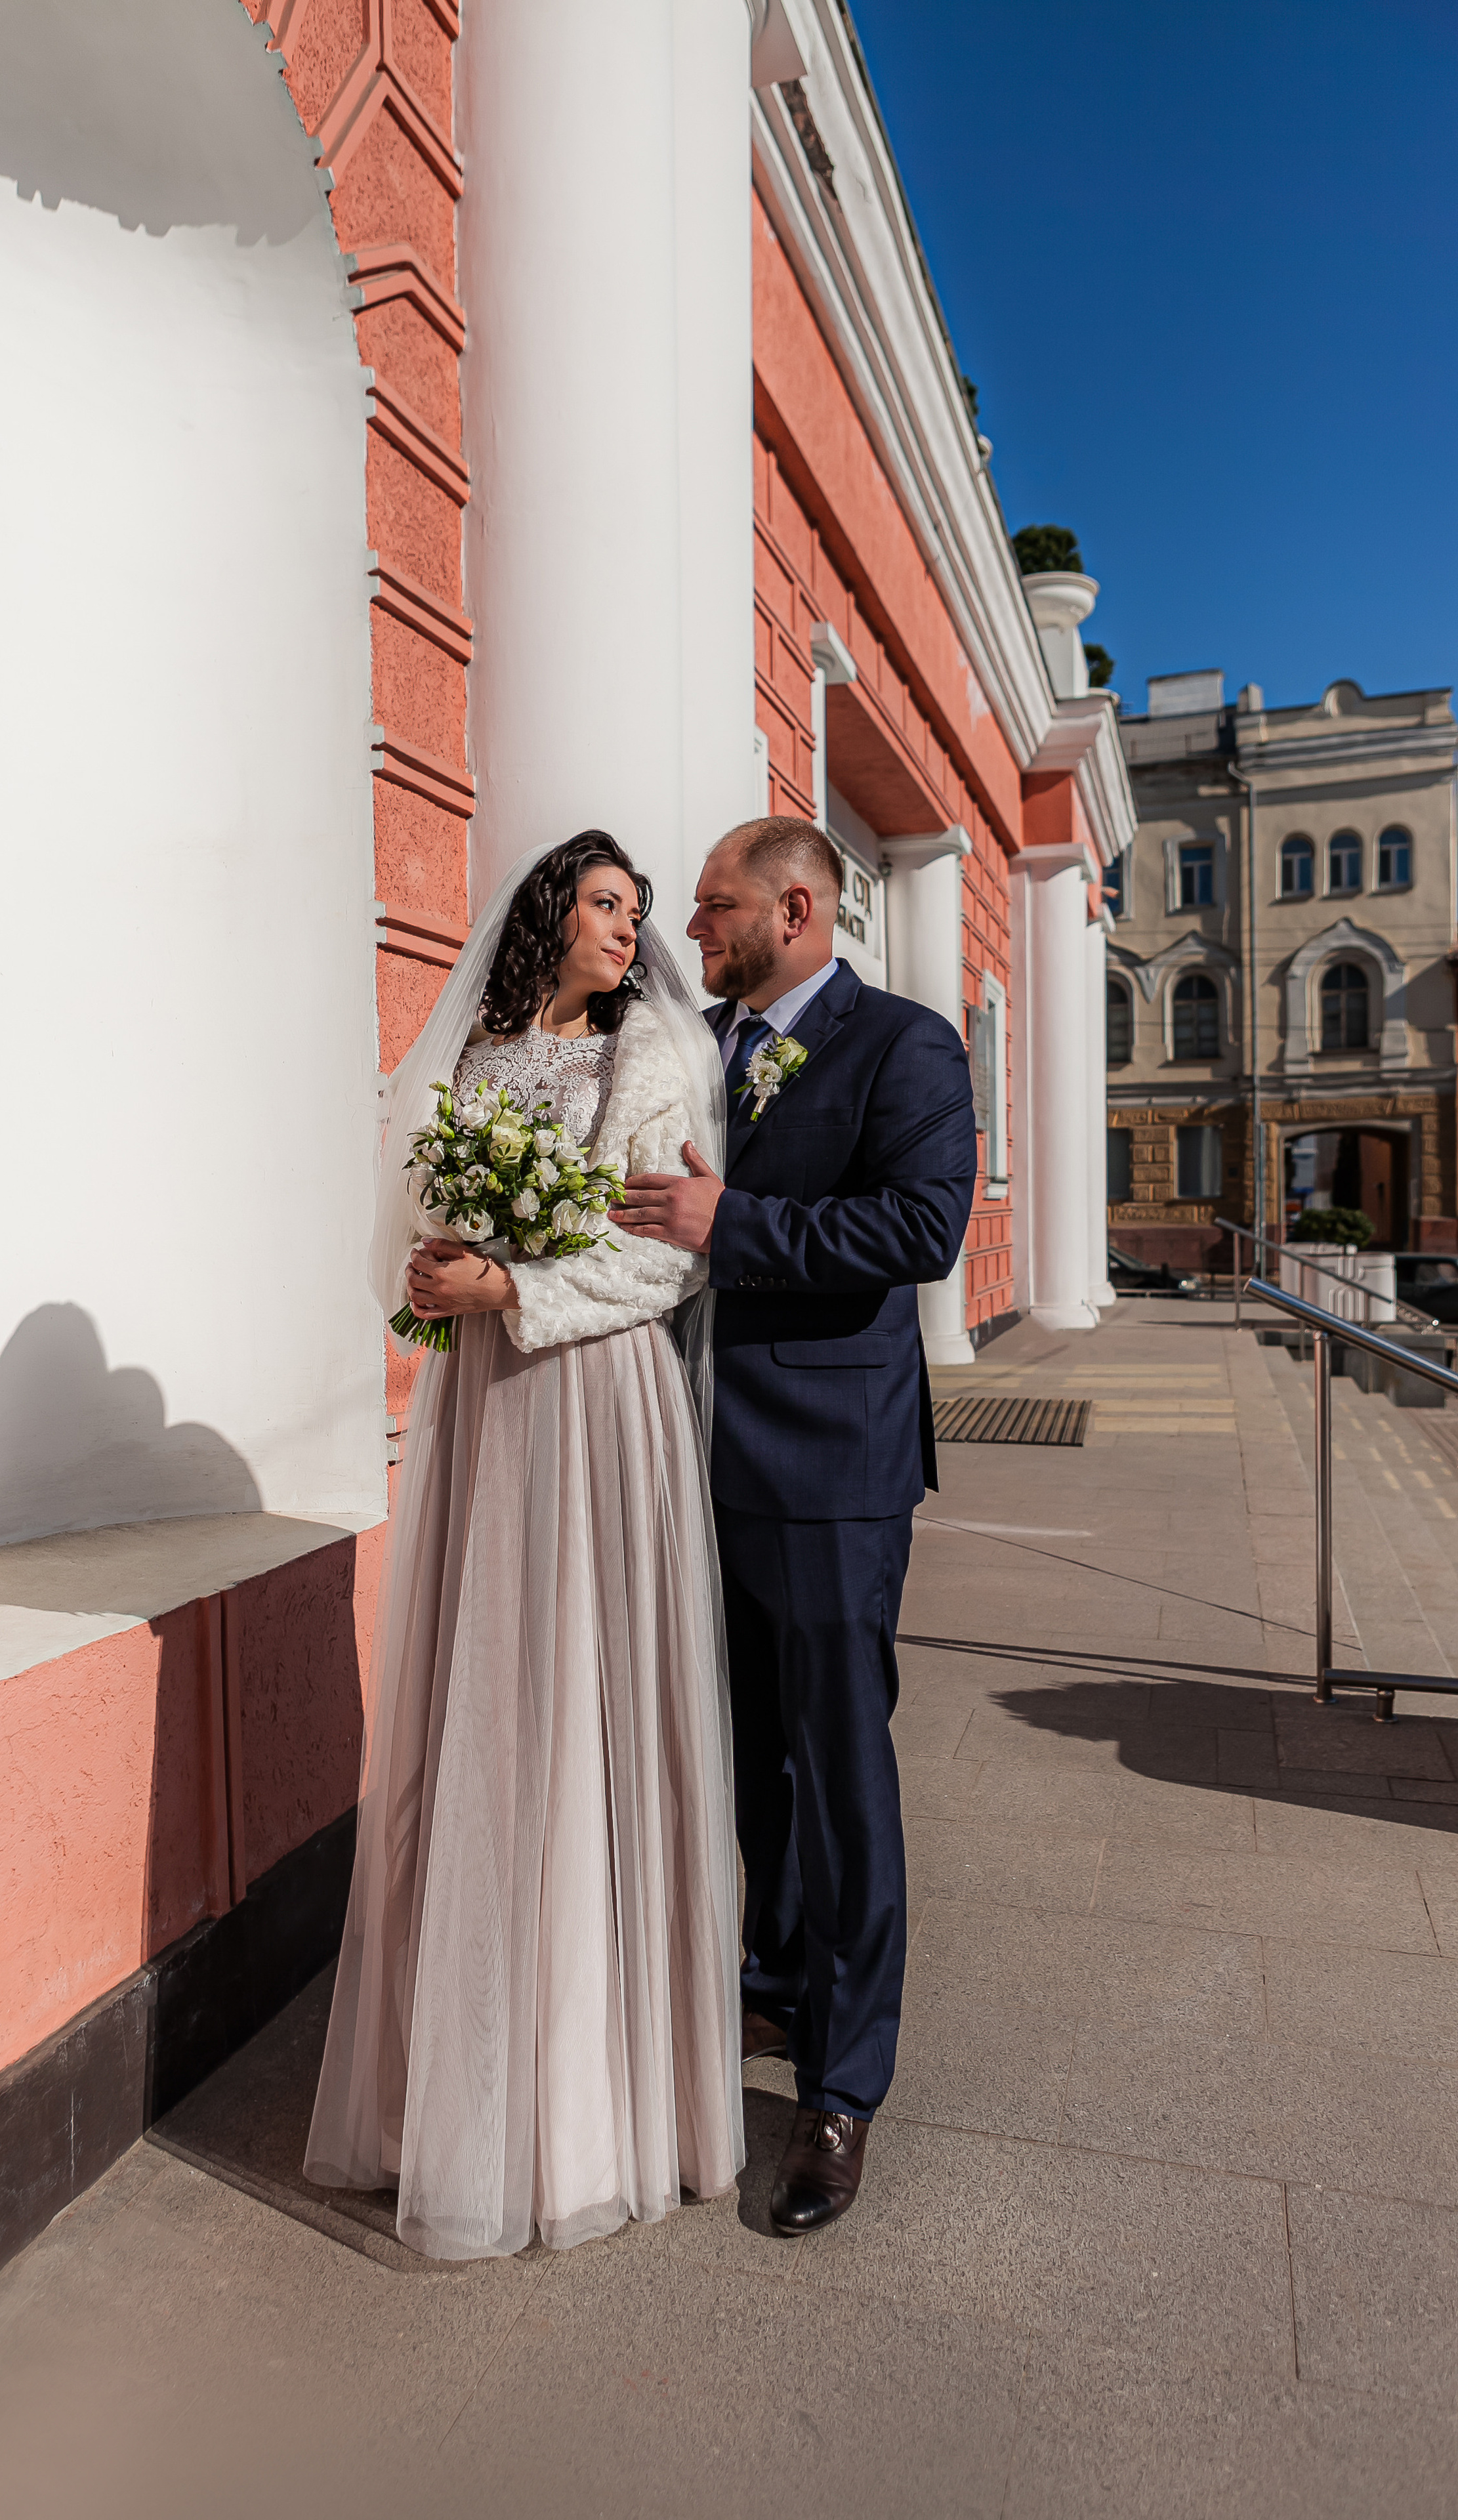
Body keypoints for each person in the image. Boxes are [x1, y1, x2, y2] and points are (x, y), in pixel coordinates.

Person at [304, 832, 744, 2260]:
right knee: (473, 1710)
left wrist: (515, 1281)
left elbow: (664, 1254)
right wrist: (442, 1267)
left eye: (638, 910)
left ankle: (582, 2114)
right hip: (480, 1405)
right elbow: (415, 1209)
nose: (631, 929)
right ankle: (440, 2098)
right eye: (606, 905)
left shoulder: (655, 1056)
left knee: (579, 1702)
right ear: (549, 912)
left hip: (591, 1396)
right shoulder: (477, 1049)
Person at [615, 814, 977, 2235]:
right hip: (691, 1458)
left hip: (832, 1468)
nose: (689, 930)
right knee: (741, 1759)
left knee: (836, 1776)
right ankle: (764, 1993)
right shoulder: (696, 1045)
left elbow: (919, 1231)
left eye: (713, 908)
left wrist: (733, 1228)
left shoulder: (904, 1047)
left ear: (798, 909)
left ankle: (840, 2086)